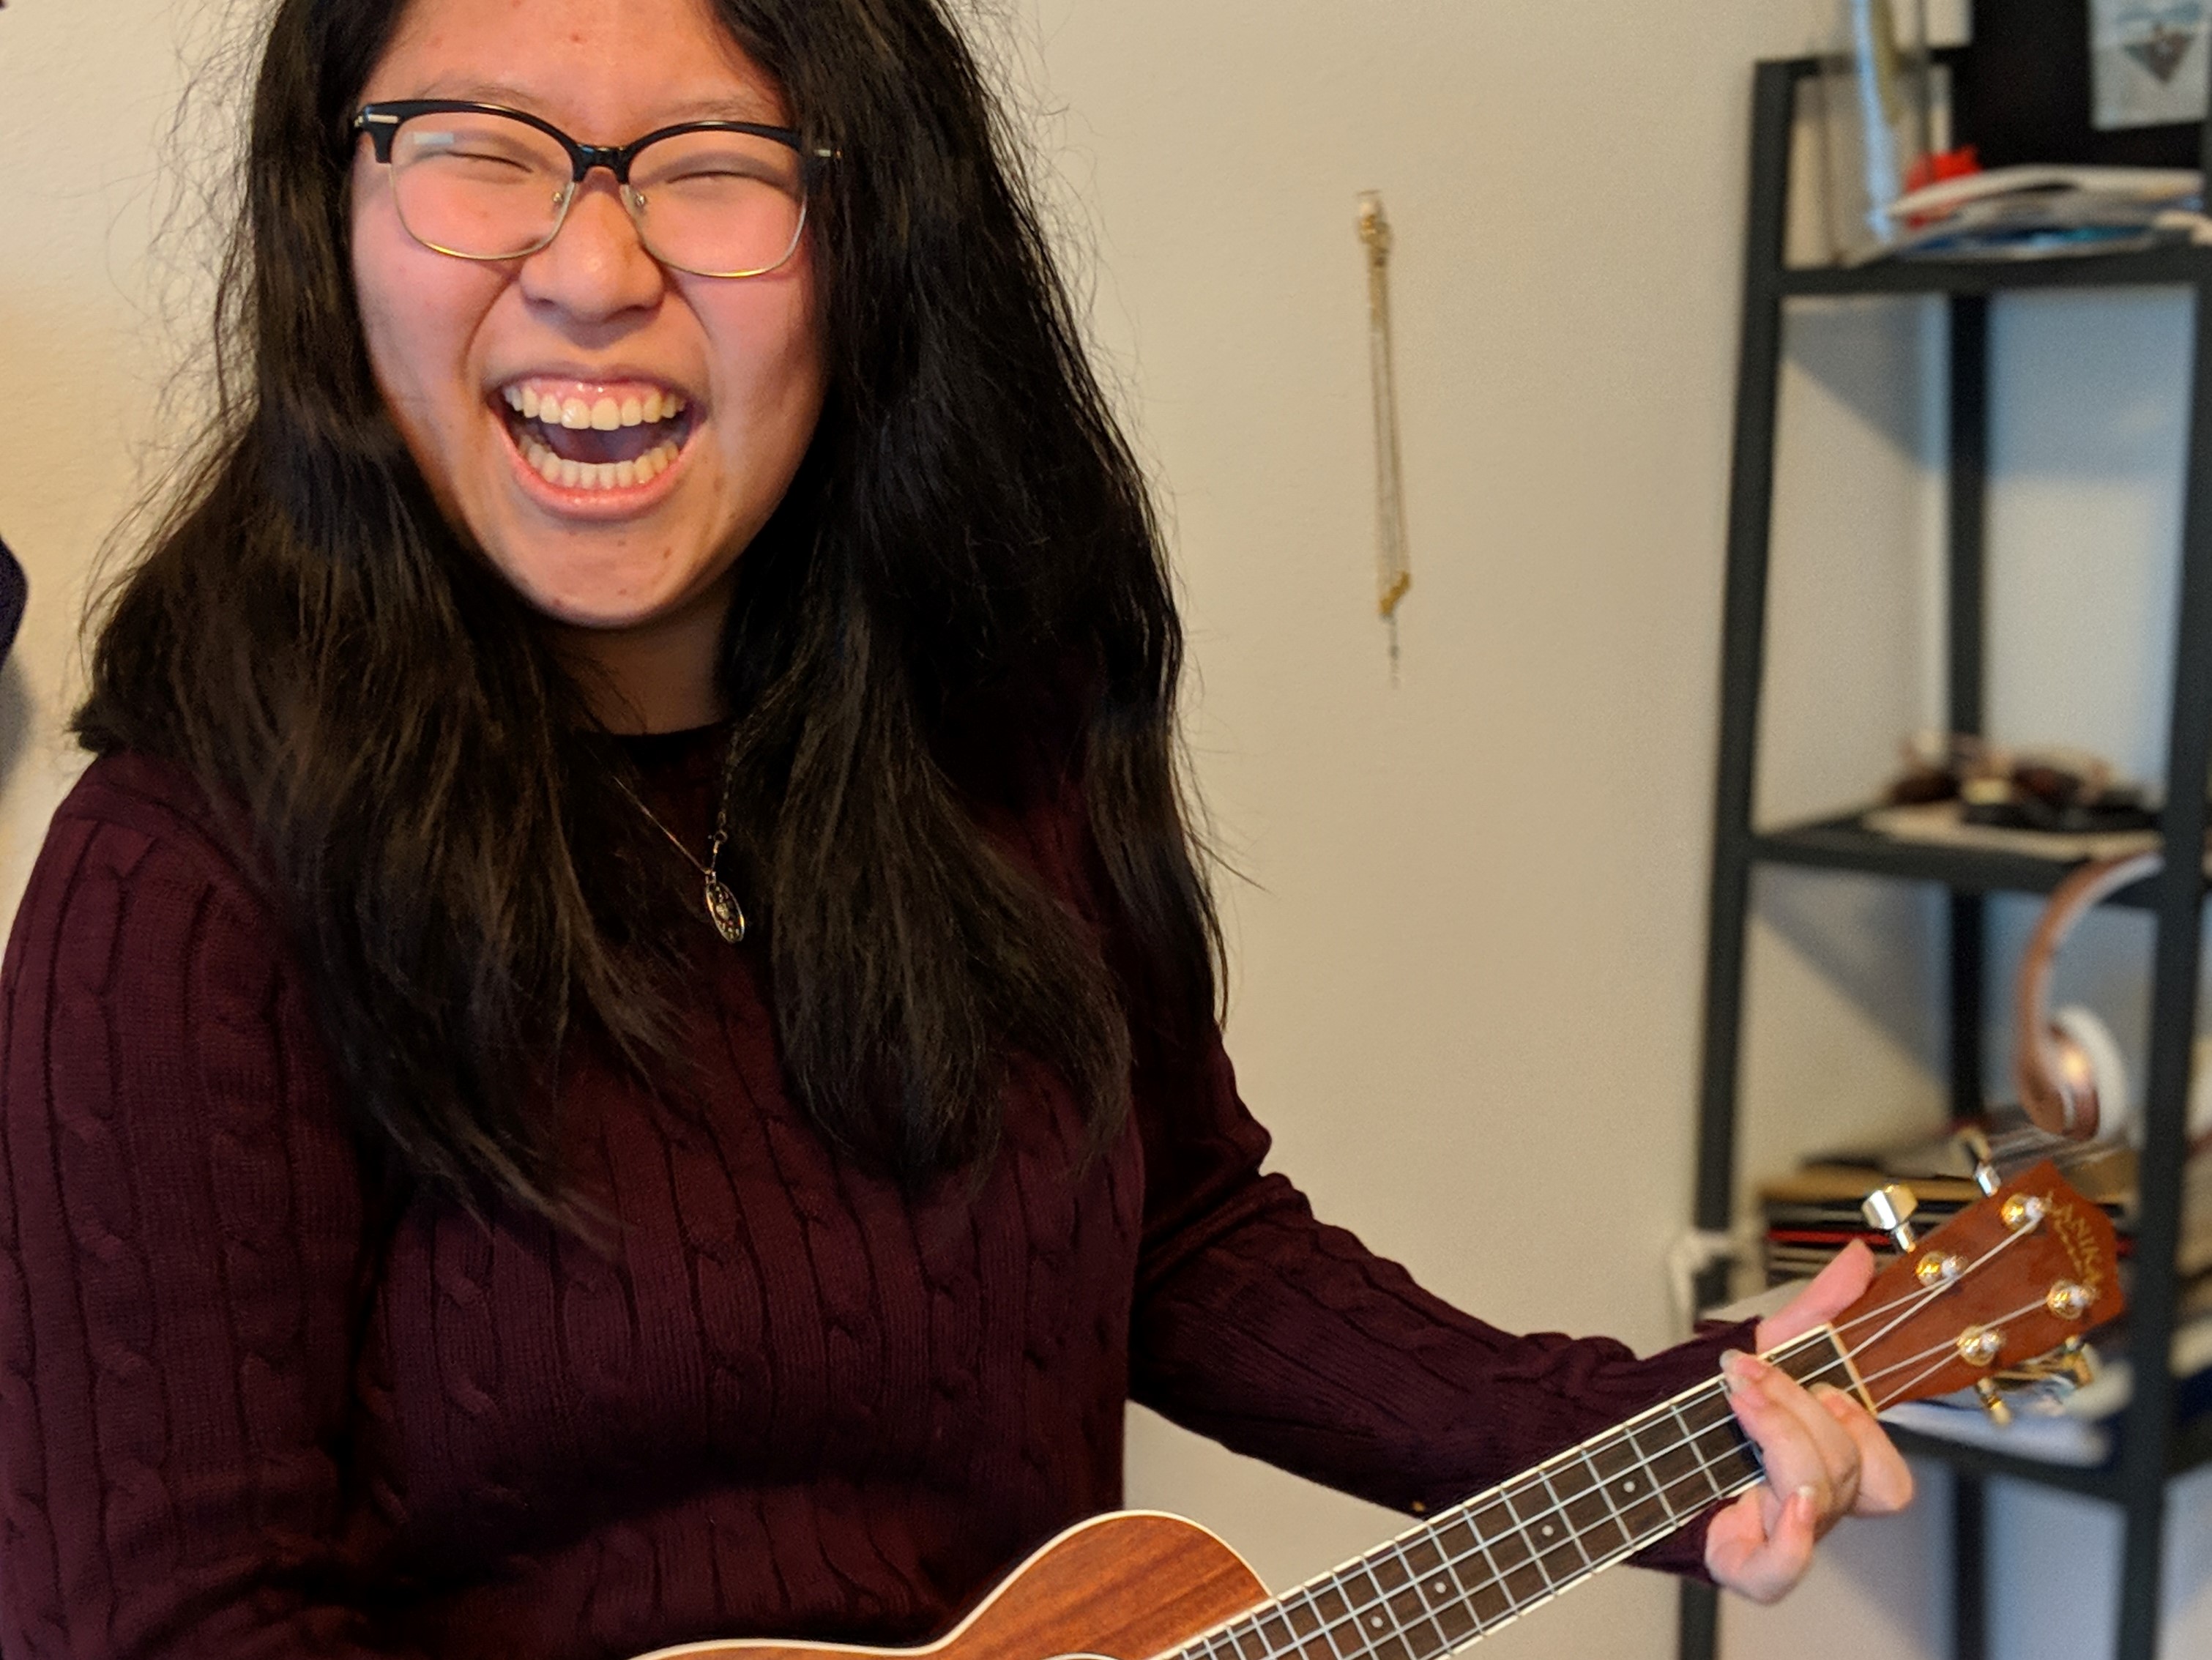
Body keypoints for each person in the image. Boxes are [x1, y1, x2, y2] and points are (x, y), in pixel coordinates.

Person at [0, 1, 1911, 1657]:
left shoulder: (999, 730)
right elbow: (165, 1623)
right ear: (329, 211)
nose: (592, 266)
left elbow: (1170, 1221)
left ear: (870, 233)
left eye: (712, 158)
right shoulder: (181, 887)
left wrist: (1639, 1433)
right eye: (478, 148)